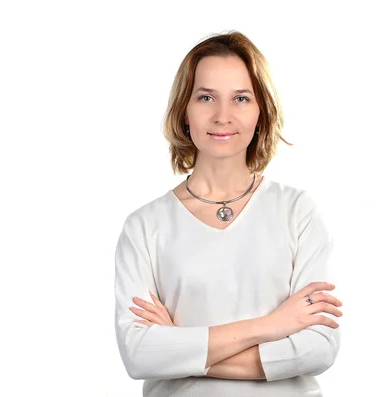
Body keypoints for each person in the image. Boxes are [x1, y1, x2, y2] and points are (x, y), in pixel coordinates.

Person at [113, 30, 343, 397]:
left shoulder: (297, 212)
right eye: (206, 97)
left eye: (240, 98)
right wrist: (271, 326)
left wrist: (178, 348)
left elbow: (319, 346)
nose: (223, 116)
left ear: (260, 111)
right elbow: (139, 355)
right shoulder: (145, 227)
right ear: (184, 111)